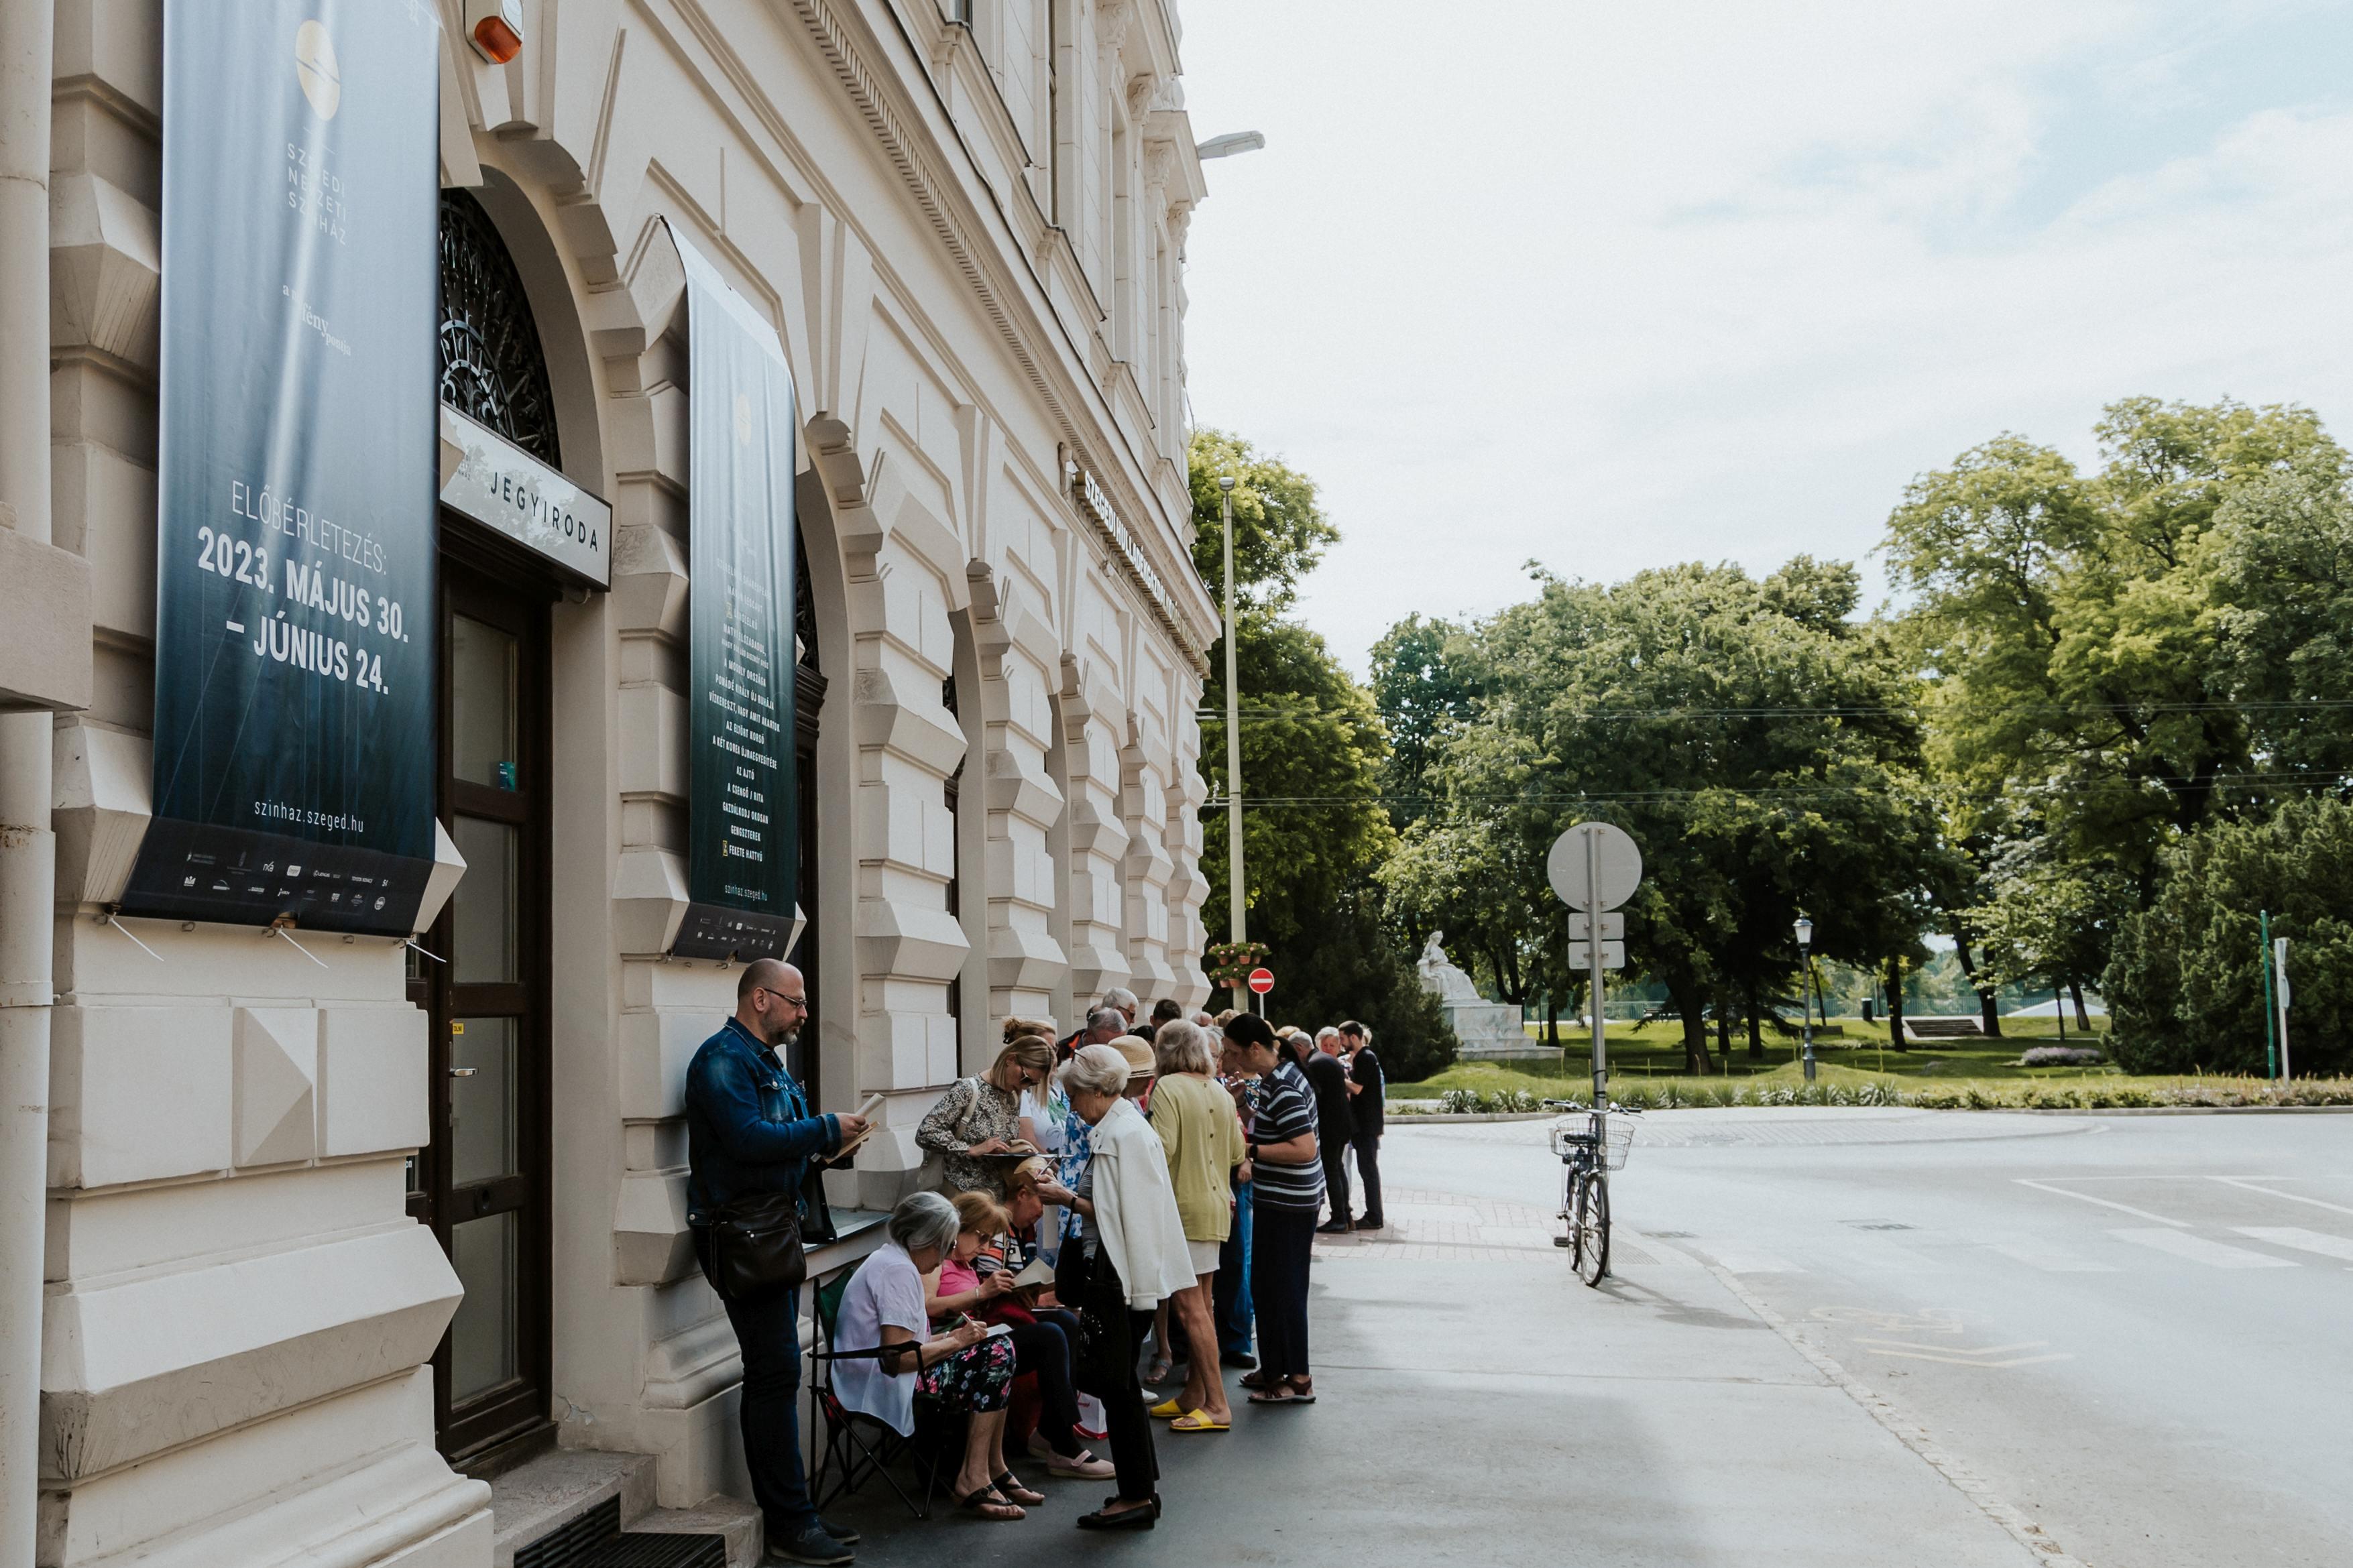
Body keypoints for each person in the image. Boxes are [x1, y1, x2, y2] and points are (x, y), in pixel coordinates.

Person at [684, 959, 868, 1566]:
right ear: (760, 998)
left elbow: (778, 1143)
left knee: (778, 1371)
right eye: (796, 1001)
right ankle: (790, 1522)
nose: (804, 1013)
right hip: (744, 1235)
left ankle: (797, 1513)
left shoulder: (765, 1060)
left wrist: (830, 1142)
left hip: (772, 1229)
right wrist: (824, 1128)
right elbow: (747, 1140)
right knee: (774, 1371)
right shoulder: (722, 1059)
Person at [1033, 1044, 1195, 1529]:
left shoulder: (1124, 1133)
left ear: (1099, 1090)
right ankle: (1139, 1490)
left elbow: (1128, 1215)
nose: (1072, 1104)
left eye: (1074, 1094)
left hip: (1121, 1278)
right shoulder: (1121, 1128)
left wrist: (1065, 1198)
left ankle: (1137, 1495)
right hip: (1121, 1275)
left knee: (1117, 1386)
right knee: (1119, 1385)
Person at [926, 1192, 1114, 1483]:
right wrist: (981, 1292)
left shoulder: (965, 1261)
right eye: (982, 1238)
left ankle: (1050, 1430)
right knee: (1049, 1336)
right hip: (958, 1343)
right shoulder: (936, 1260)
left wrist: (1015, 1294)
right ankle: (1062, 1444)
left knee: (1066, 1322)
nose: (984, 1248)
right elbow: (928, 1306)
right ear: (961, 1228)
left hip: (983, 1331)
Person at [1144, 1020, 1244, 1431]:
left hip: (1183, 1209)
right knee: (1203, 1305)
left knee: (1190, 1308)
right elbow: (1237, 1152)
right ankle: (1195, 1395)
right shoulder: (1219, 1091)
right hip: (1216, 1207)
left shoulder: (1167, 1088)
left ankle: (1218, 1405)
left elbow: (1161, 1150)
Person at [1224, 1013, 1323, 1406]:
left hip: (1289, 1204)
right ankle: (1275, 1368)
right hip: (1283, 1200)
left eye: (1233, 1052)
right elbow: (1274, 1127)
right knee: (1268, 1287)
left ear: (1254, 1049)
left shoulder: (1282, 1085)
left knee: (1285, 1290)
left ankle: (1297, 1378)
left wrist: (1251, 1151)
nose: (1229, 1061)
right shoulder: (1274, 1079)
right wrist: (1244, 1109)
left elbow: (1304, 1148)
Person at [915, 1035, 1054, 1197]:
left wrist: (1012, 1151)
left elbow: (998, 1142)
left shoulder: (1013, 1095)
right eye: (1026, 1078)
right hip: (963, 1194)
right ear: (1010, 1060)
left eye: (1033, 1083)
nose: (1025, 1086)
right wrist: (970, 1149)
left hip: (997, 1195)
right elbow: (926, 1132)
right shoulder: (968, 1089)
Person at [1210, 1030, 1257, 1369]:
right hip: (1201, 1183)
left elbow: (1244, 1135)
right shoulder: (1172, 1089)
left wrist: (1245, 1161)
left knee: (1235, 1263)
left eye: (1220, 1055)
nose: (1220, 1061)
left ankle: (1236, 1339)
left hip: (1229, 1182)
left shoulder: (1228, 1091)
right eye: (1216, 1055)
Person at [1304, 1027, 1356, 1235]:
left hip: (1331, 1126)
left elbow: (1315, 1096)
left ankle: (1339, 1218)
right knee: (1337, 1168)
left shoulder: (1316, 1063)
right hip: (1342, 1124)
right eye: (1324, 1044)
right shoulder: (1327, 1061)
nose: (1327, 1048)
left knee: (1332, 1170)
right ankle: (1345, 1215)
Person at [1340, 1020, 1387, 1230]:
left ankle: (1374, 1216)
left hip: (1367, 1125)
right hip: (1365, 1124)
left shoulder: (1365, 1057)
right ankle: (1373, 1214)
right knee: (1367, 1170)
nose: (1341, 1043)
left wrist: (1339, 1077)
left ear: (1354, 1037)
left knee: (1368, 1171)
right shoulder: (1364, 1057)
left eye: (1343, 1038)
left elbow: (1357, 1088)